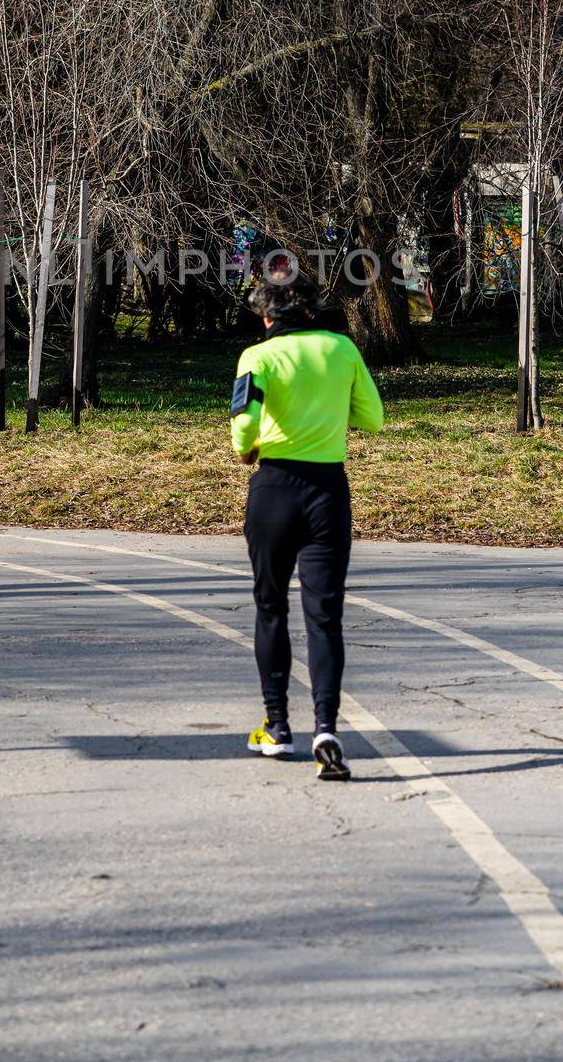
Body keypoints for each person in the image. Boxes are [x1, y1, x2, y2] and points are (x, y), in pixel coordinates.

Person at [229, 270, 384, 780]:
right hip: (328, 492)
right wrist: (327, 416)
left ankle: (276, 727)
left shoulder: (258, 357)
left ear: (267, 314)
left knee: (270, 606)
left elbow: (243, 428)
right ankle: (326, 726)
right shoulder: (342, 349)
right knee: (324, 615)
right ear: (312, 310)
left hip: (275, 487)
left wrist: (250, 445)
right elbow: (374, 418)